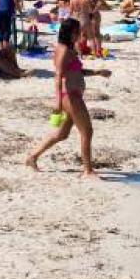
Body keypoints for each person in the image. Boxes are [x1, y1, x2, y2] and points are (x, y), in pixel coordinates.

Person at [26, 19, 111, 177]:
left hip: (74, 95)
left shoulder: (69, 50)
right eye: (78, 31)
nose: (80, 34)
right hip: (70, 97)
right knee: (87, 131)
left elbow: (77, 72)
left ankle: (32, 157)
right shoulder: (63, 50)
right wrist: (57, 102)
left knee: (62, 134)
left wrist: (98, 72)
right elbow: (58, 76)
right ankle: (88, 170)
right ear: (71, 33)